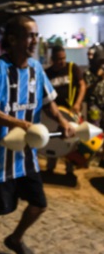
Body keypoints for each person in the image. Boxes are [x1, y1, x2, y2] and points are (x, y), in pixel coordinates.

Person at [0, 15, 76, 254]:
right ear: (12, 39)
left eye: (36, 35)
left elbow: (48, 101)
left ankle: (15, 239)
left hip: (27, 156)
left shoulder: (36, 68)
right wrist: (20, 123)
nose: (35, 40)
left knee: (39, 205)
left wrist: (62, 121)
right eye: (30, 35)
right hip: (0, 156)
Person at [44, 45, 86, 177]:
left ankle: (69, 170)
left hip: (71, 111)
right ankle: (50, 168)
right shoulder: (47, 73)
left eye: (64, 58)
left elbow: (82, 85)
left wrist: (78, 103)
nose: (62, 61)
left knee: (71, 139)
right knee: (54, 139)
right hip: (55, 114)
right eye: (59, 59)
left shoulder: (72, 68)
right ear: (52, 59)